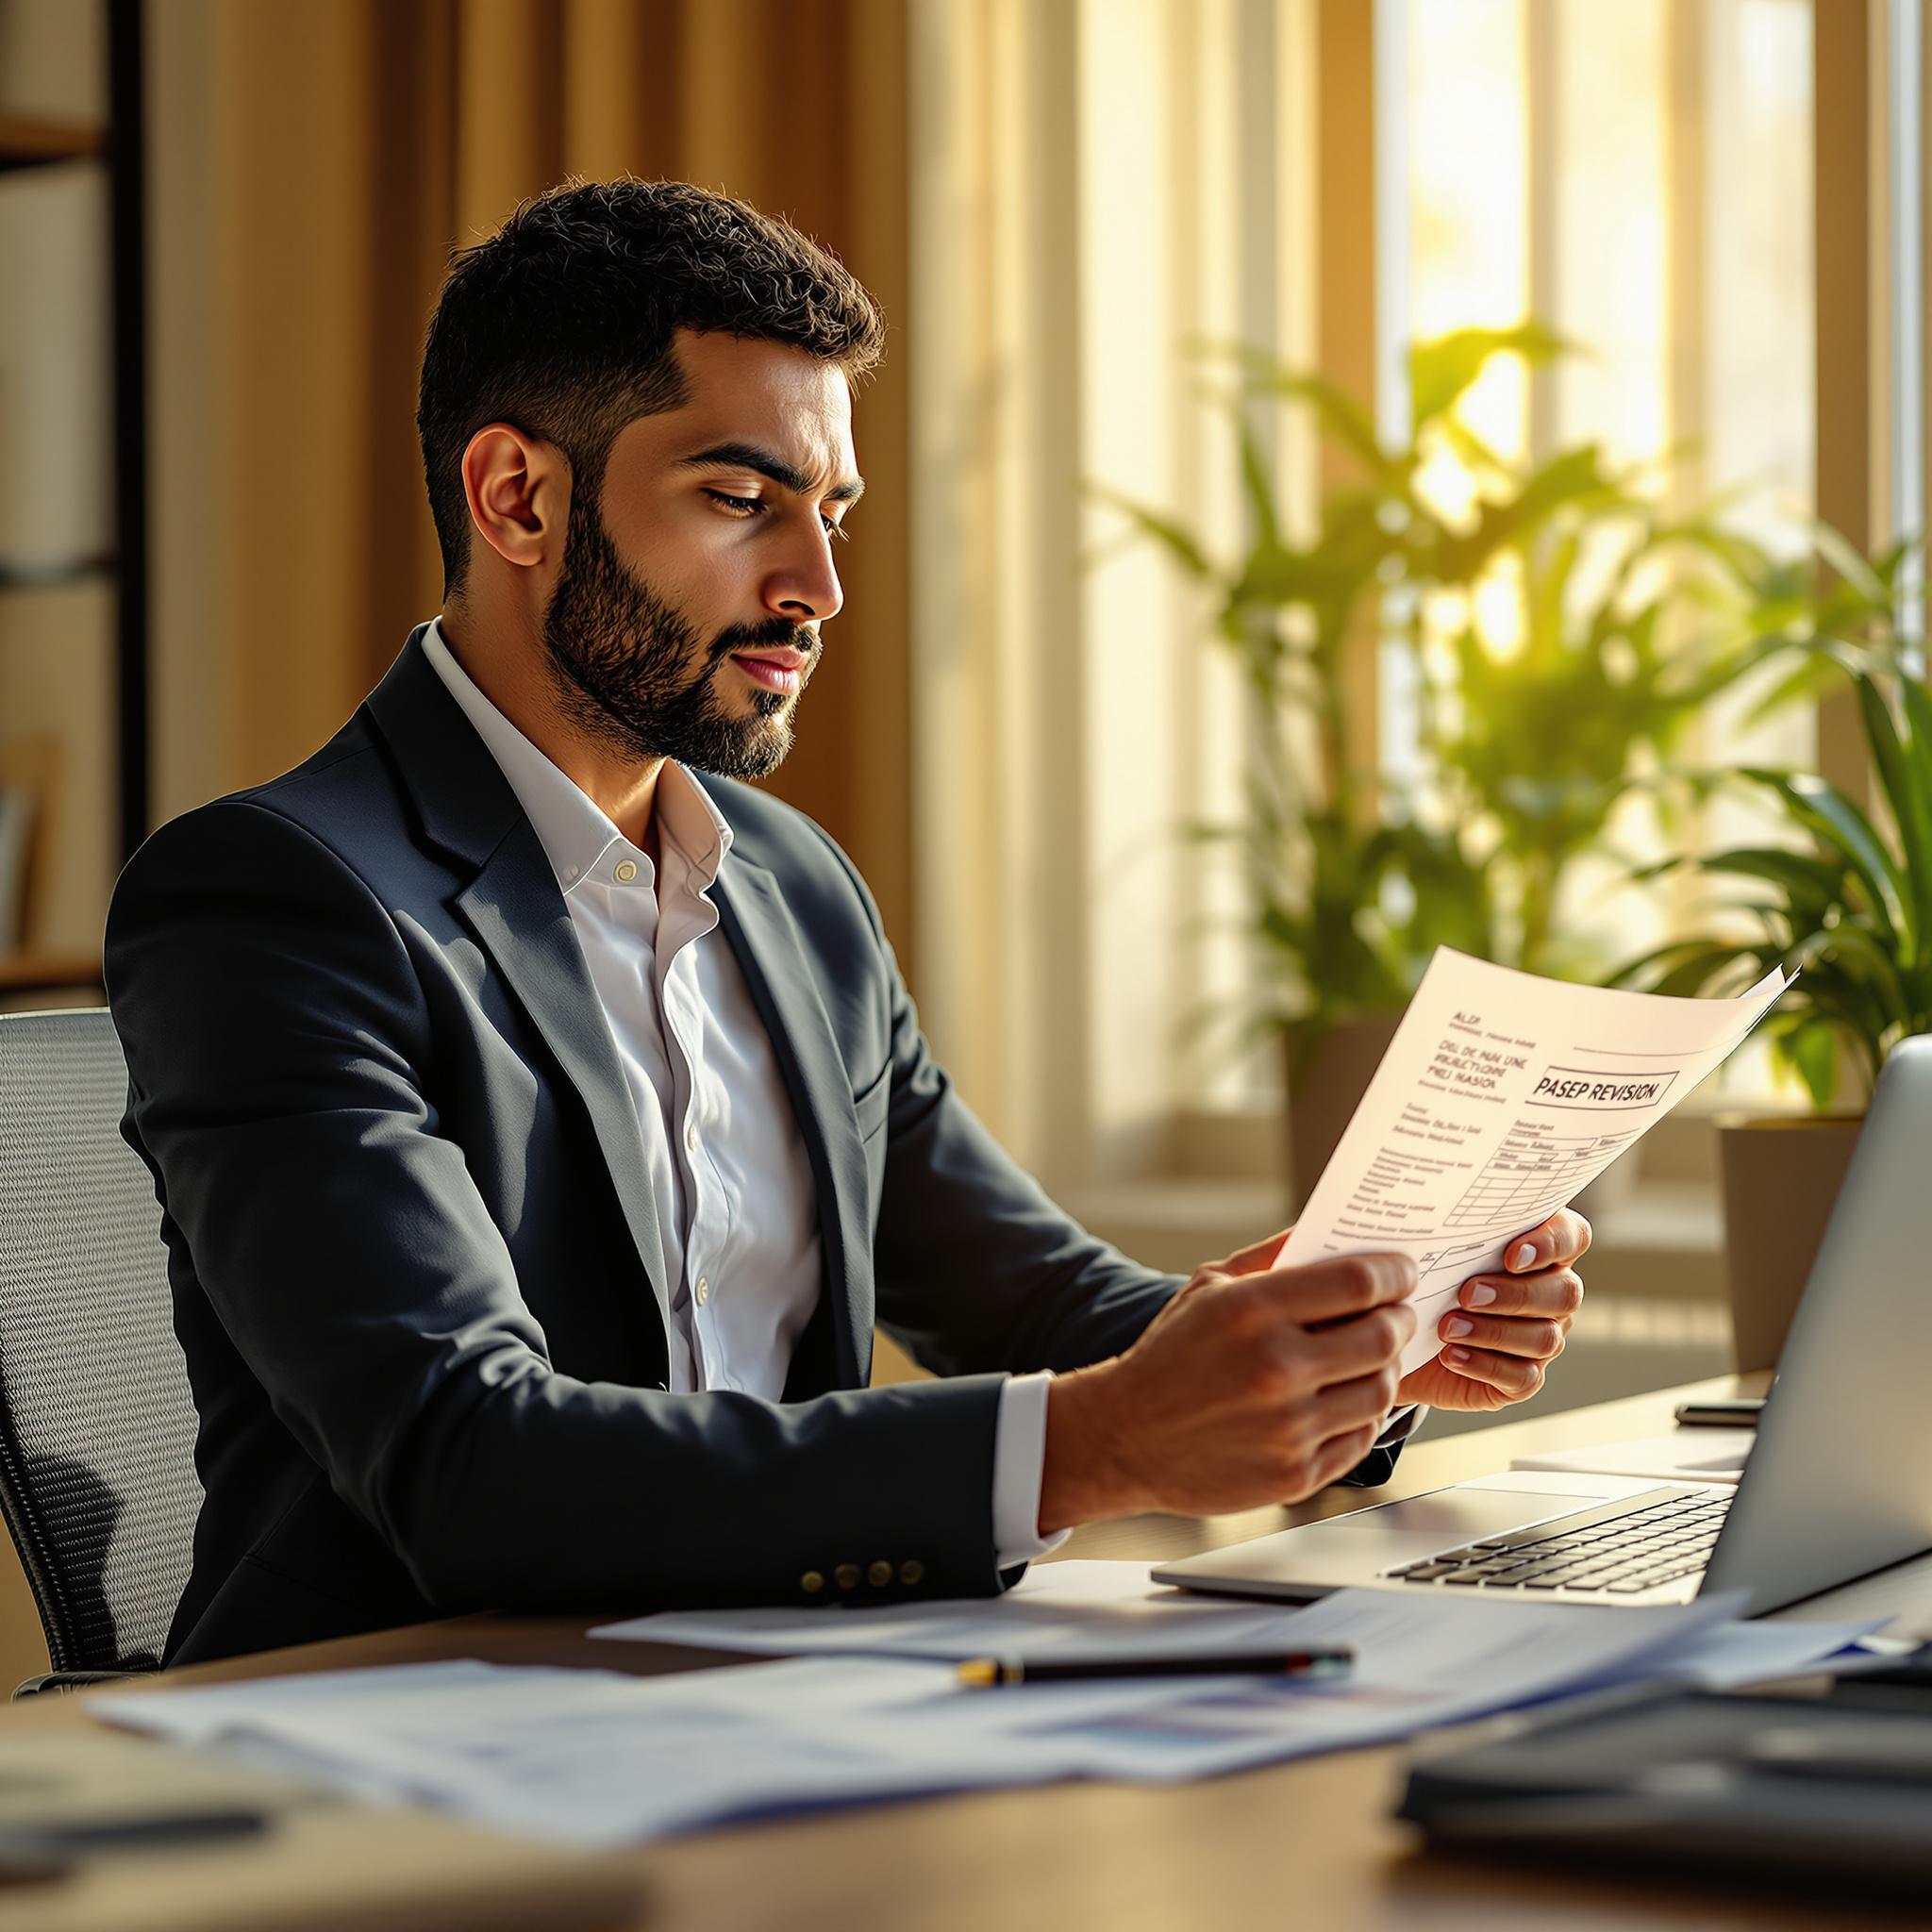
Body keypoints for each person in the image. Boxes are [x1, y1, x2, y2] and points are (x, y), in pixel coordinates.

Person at [106, 179, 1589, 1666]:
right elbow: (465, 1459)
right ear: (519, 500)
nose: (814, 587)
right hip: (401, 1755)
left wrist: (1355, 1342)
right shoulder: (278, 902)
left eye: (832, 514)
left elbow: (1031, 1299)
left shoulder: (793, 884)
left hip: (783, 1693)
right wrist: (1096, 1447)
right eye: (741, 501)